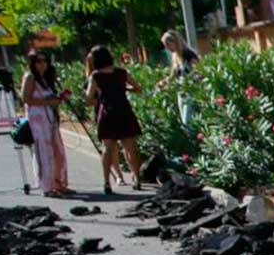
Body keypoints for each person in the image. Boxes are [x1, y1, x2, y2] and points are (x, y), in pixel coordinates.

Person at [85, 45, 144, 194]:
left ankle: (106, 182)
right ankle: (136, 178)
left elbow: (88, 98)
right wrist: (124, 89)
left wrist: (99, 98)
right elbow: (138, 88)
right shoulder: (121, 73)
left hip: (107, 112)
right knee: (130, 147)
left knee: (108, 148)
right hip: (124, 110)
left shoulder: (96, 75)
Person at [19, 50, 71, 197]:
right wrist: (47, 102)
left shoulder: (46, 78)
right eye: (39, 61)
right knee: (44, 152)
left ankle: (59, 183)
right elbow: (26, 99)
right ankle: (47, 187)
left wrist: (58, 100)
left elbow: (49, 99)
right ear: (33, 63)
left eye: (45, 61)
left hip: (50, 118)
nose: (43, 64)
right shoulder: (30, 77)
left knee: (58, 151)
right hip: (38, 120)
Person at [158, 30, 200, 126]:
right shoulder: (175, 57)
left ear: (175, 42)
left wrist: (193, 80)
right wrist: (163, 82)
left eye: (168, 45)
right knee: (184, 121)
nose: (167, 48)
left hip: (190, 91)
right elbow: (173, 76)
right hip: (181, 92)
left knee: (187, 122)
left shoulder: (188, 54)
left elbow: (198, 70)